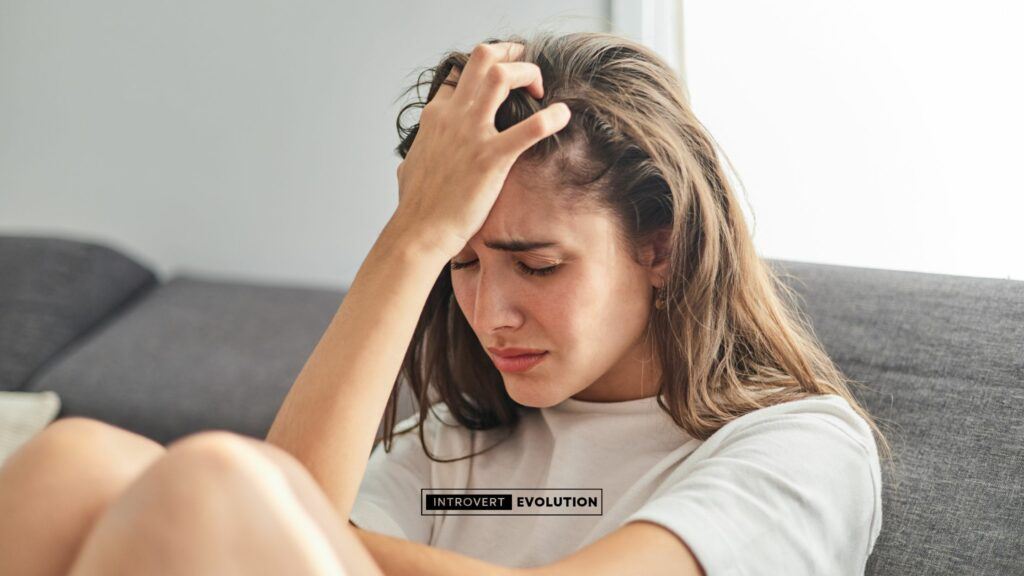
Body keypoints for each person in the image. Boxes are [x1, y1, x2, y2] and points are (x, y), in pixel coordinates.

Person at [0, 31, 893, 576]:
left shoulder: (799, 446)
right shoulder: (459, 437)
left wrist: (304, 538)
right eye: (459, 265)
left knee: (209, 483)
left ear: (659, 249)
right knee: (74, 458)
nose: (491, 311)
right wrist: (413, 236)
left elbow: (263, 517)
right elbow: (276, 530)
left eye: (535, 266)